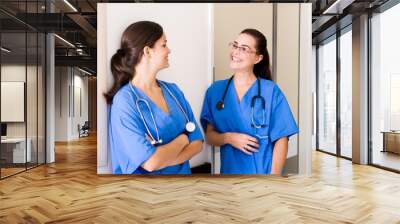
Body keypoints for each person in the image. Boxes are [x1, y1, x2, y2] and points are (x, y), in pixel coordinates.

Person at [105, 21, 203, 174]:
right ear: (147, 51)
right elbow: (151, 162)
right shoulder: (125, 101)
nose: (169, 50)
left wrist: (169, 158)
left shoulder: (173, 91)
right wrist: (183, 139)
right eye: (164, 45)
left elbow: (197, 143)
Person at [200, 28, 298, 175]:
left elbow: (281, 139)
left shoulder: (270, 90)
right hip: (229, 175)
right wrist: (229, 138)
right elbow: (210, 136)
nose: (236, 52)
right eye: (234, 45)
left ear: (258, 58)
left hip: (263, 173)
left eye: (244, 49)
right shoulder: (215, 91)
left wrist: (273, 177)